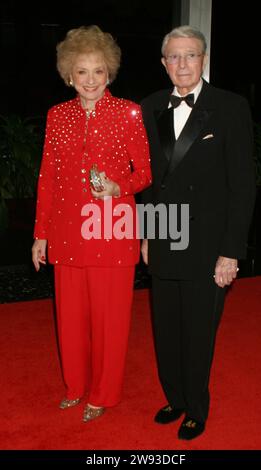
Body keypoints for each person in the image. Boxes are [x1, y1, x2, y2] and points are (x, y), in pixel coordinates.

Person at [140, 25, 255, 440]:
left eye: (190, 55)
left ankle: (197, 406)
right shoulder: (150, 106)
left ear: (203, 59)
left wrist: (231, 252)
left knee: (198, 330)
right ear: (163, 63)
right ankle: (175, 396)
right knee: (166, 327)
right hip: (166, 236)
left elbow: (242, 185)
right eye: (174, 56)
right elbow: (151, 183)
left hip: (208, 243)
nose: (182, 64)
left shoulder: (230, 106)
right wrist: (148, 236)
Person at [32, 25, 151, 422]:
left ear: (110, 73)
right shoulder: (57, 115)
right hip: (66, 232)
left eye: (98, 71)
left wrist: (119, 186)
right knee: (69, 318)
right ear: (69, 74)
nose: (90, 80)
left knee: (110, 321)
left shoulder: (129, 112)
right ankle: (76, 387)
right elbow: (47, 176)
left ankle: (103, 393)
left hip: (112, 228)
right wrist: (40, 234)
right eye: (81, 71)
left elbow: (145, 174)